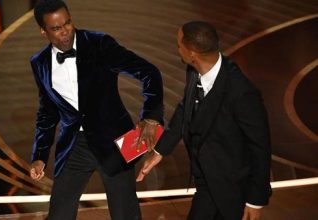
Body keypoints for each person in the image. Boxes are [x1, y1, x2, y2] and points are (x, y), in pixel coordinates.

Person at [28, 0, 163, 219]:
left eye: (67, 23)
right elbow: (47, 112)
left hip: (115, 143)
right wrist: (40, 155)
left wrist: (150, 116)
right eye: (56, 28)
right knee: (59, 213)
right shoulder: (40, 62)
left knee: (124, 214)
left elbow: (149, 72)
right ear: (43, 31)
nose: (65, 32)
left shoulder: (99, 44)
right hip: (74, 147)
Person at [137, 21, 271, 220]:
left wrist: (255, 200)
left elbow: (260, 146)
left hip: (233, 189)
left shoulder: (242, 93)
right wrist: (160, 150)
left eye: (179, 45)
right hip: (206, 181)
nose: (177, 49)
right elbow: (185, 108)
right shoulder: (194, 70)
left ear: (192, 53)